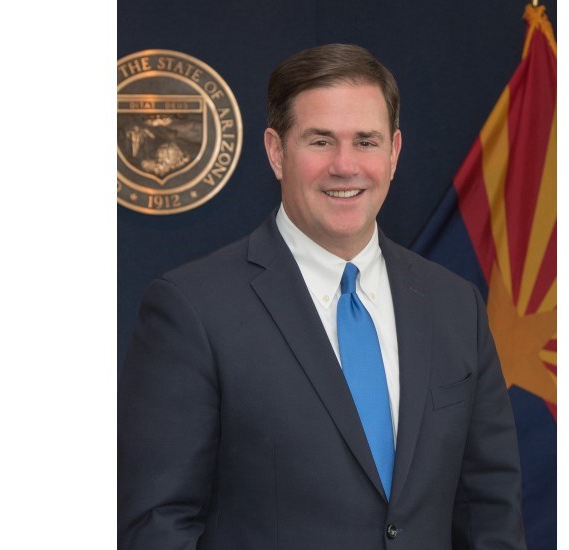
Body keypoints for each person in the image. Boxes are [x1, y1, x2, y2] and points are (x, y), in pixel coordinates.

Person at [118, 43, 526, 550]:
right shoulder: (193, 309)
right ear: (276, 152)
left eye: (366, 141)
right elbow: (157, 525)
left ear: (394, 153)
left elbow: (490, 511)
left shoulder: (455, 304)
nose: (345, 165)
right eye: (320, 141)